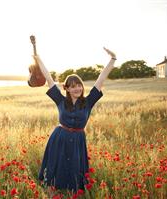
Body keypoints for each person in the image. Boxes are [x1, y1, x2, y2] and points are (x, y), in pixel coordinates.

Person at [33, 47, 116, 194]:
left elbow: (100, 79)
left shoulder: (88, 101)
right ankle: (52, 192)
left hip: (77, 139)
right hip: (60, 137)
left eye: (79, 85)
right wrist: (38, 59)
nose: (77, 88)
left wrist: (112, 59)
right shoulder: (60, 100)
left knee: (75, 167)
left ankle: (72, 193)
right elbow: (49, 79)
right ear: (67, 89)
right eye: (73, 86)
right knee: (56, 165)